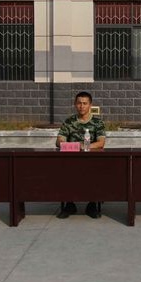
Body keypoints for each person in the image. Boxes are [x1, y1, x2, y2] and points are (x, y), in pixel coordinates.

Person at [55, 91, 106, 219]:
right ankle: (69, 204)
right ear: (75, 104)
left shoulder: (97, 122)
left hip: (91, 160)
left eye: (85, 103)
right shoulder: (69, 121)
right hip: (71, 159)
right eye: (79, 103)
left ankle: (92, 205)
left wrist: (85, 147)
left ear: (90, 105)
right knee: (65, 172)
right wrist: (73, 146)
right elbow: (59, 141)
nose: (81, 106)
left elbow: (101, 143)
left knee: (95, 173)